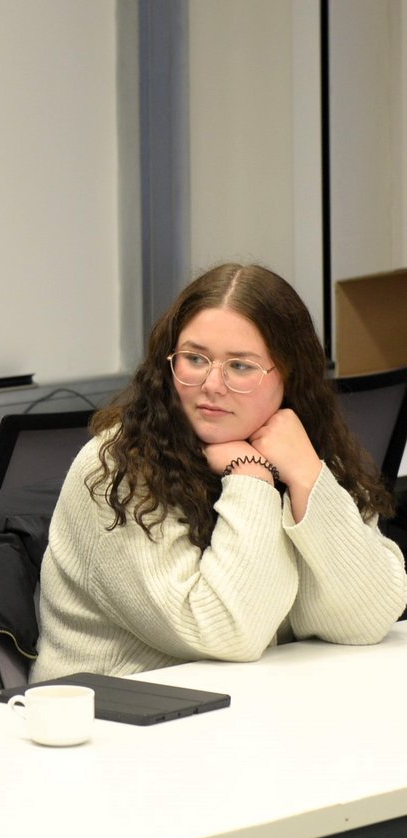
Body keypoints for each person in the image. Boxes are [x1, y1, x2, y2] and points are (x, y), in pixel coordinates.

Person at [33, 263, 407, 682]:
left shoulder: (302, 453)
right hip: (112, 724)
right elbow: (228, 633)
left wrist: (307, 477)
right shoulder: (117, 465)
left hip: (251, 713)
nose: (212, 384)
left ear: (289, 374)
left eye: (241, 366)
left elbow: (365, 620)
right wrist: (249, 475)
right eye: (195, 359)